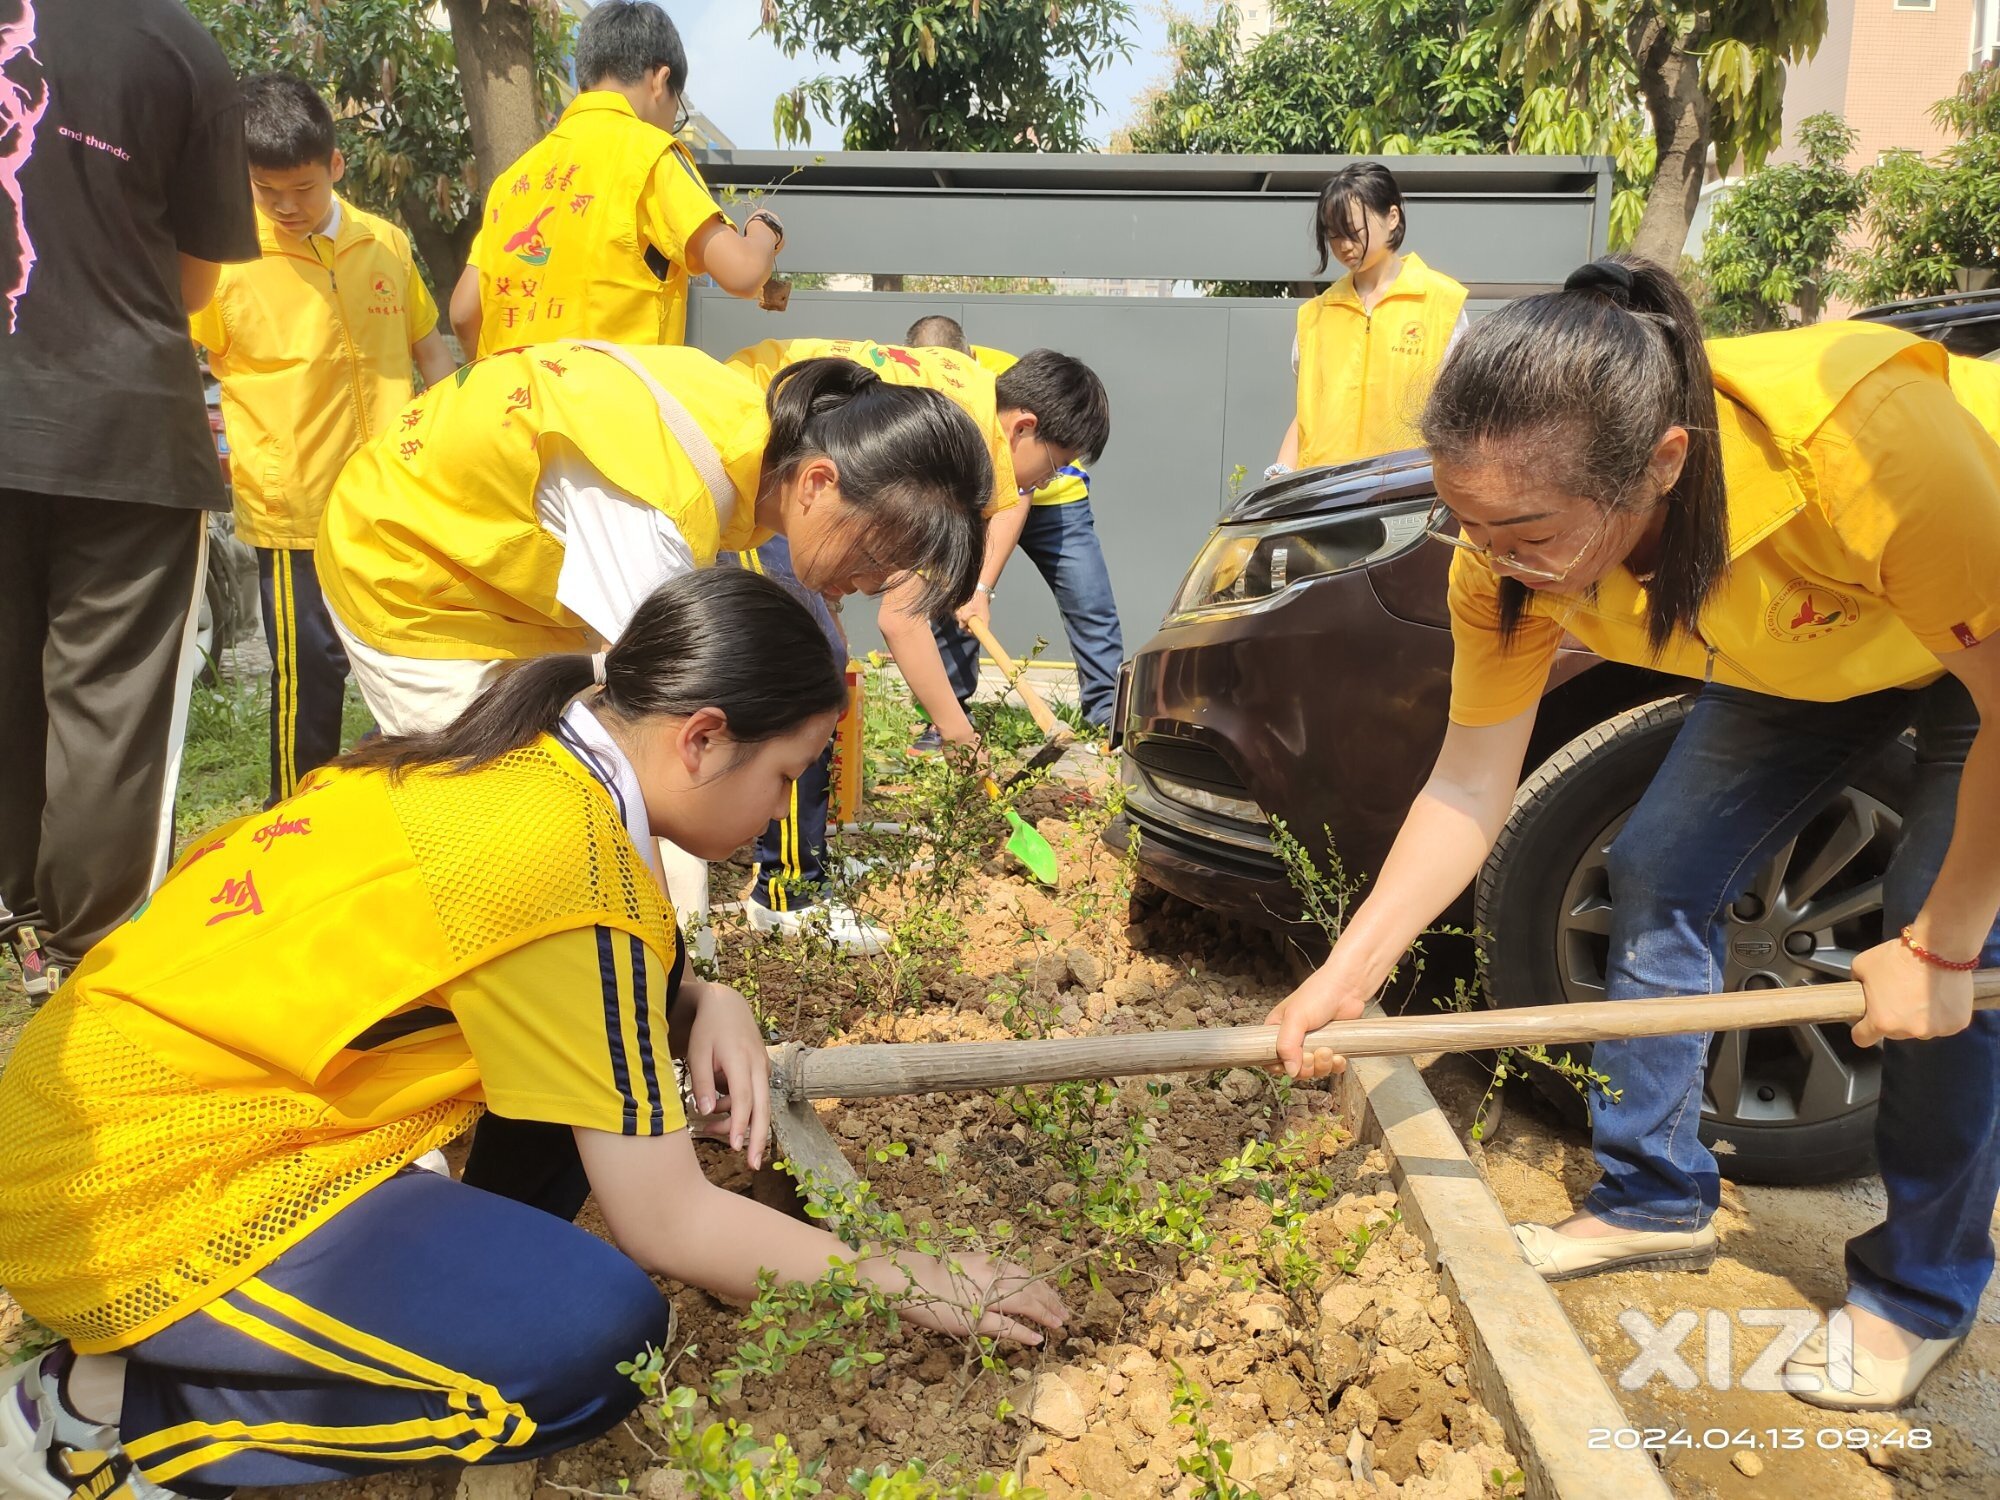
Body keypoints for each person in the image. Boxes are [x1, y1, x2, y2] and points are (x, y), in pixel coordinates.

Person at [0, 569, 1065, 1500]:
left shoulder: (526, 764)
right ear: (701, 738)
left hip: (120, 1105)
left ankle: (413, 1299)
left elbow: (611, 971)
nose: (781, 809)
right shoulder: (567, 864)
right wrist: (920, 1281)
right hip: (129, 1199)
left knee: (613, 1050)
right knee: (594, 1345)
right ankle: (100, 1420)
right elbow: (673, 1227)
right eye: (785, 776)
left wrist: (706, 1000)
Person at [1268, 256, 2000, 1413]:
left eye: (1523, 529)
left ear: (1663, 464)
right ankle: (1655, 1193)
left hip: (1974, 640)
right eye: (1463, 522)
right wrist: (1344, 978)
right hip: (1810, 653)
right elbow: (1466, 786)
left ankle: (1915, 1294)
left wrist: (1945, 952)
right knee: (1657, 869)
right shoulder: (1497, 564)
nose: (1491, 558)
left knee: (1938, 938)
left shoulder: (1868, 448)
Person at [316, 345, 990, 737]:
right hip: (405, 563)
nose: (871, 584)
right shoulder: (655, 502)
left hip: (506, 565)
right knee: (480, 789)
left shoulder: (741, 430)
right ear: (817, 481)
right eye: (875, 554)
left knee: (568, 755)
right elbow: (662, 737)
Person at [0, 0, 259, 1006]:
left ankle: (19, 914)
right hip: (123, 429)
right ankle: (86, 965)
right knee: (106, 703)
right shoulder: (171, 43)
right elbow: (195, 283)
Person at [192, 74, 458, 806]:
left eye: (301, 189)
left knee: (406, 670)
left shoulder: (387, 246)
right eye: (266, 189)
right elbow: (181, 359)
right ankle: (293, 823)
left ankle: (405, 815)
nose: (284, 207)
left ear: (336, 166)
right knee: (307, 677)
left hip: (390, 508)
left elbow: (431, 353)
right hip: (294, 514)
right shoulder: (225, 257)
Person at [448, 0, 779, 358]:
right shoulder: (649, 154)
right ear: (660, 80)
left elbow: (464, 313)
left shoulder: (514, 178)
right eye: (676, 107)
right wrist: (766, 230)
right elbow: (743, 273)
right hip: (609, 406)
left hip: (513, 404)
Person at [906, 315, 1123, 732]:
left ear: (970, 358)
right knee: (951, 591)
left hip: (1052, 498)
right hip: (980, 490)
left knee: (1090, 601)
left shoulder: (1004, 386)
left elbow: (1018, 492)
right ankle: (949, 720)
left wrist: (982, 587)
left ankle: (1108, 720)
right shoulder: (917, 385)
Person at [730, 537, 888, 955]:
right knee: (799, 670)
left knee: (819, 660)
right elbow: (904, 625)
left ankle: (796, 866)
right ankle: (789, 892)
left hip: (770, 521)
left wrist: (829, 610)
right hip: (756, 522)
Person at [1270, 162, 1466, 480]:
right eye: (1333, 235)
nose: (1343, 246)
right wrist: (1280, 474)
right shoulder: (1316, 315)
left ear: (1392, 217)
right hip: (1324, 498)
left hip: (1407, 497)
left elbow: (1461, 413)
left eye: (1353, 232)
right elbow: (1307, 413)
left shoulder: (1440, 303)